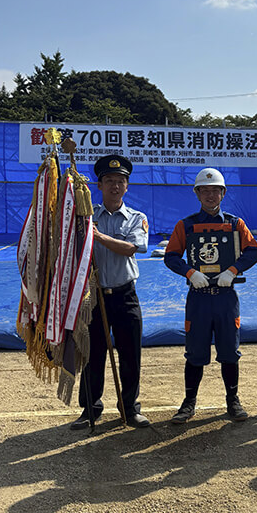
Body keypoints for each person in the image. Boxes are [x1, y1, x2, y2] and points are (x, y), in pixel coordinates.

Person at [164, 168, 257, 423]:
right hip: (199, 298)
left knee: (230, 350)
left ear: (223, 193)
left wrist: (233, 269)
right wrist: (189, 272)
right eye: (204, 190)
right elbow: (171, 256)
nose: (210, 195)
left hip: (226, 298)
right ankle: (188, 403)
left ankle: (233, 401)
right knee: (195, 352)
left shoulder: (235, 224)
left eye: (215, 190)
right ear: (197, 194)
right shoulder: (186, 225)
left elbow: (253, 251)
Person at [71, 154, 150, 429]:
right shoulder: (85, 216)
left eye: (120, 181)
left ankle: (130, 408)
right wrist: (82, 230)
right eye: (109, 181)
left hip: (125, 296)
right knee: (92, 356)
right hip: (94, 298)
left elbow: (131, 248)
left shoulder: (136, 218)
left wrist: (98, 236)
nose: (115, 186)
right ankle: (90, 410)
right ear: (99, 185)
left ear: (127, 186)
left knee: (130, 355)